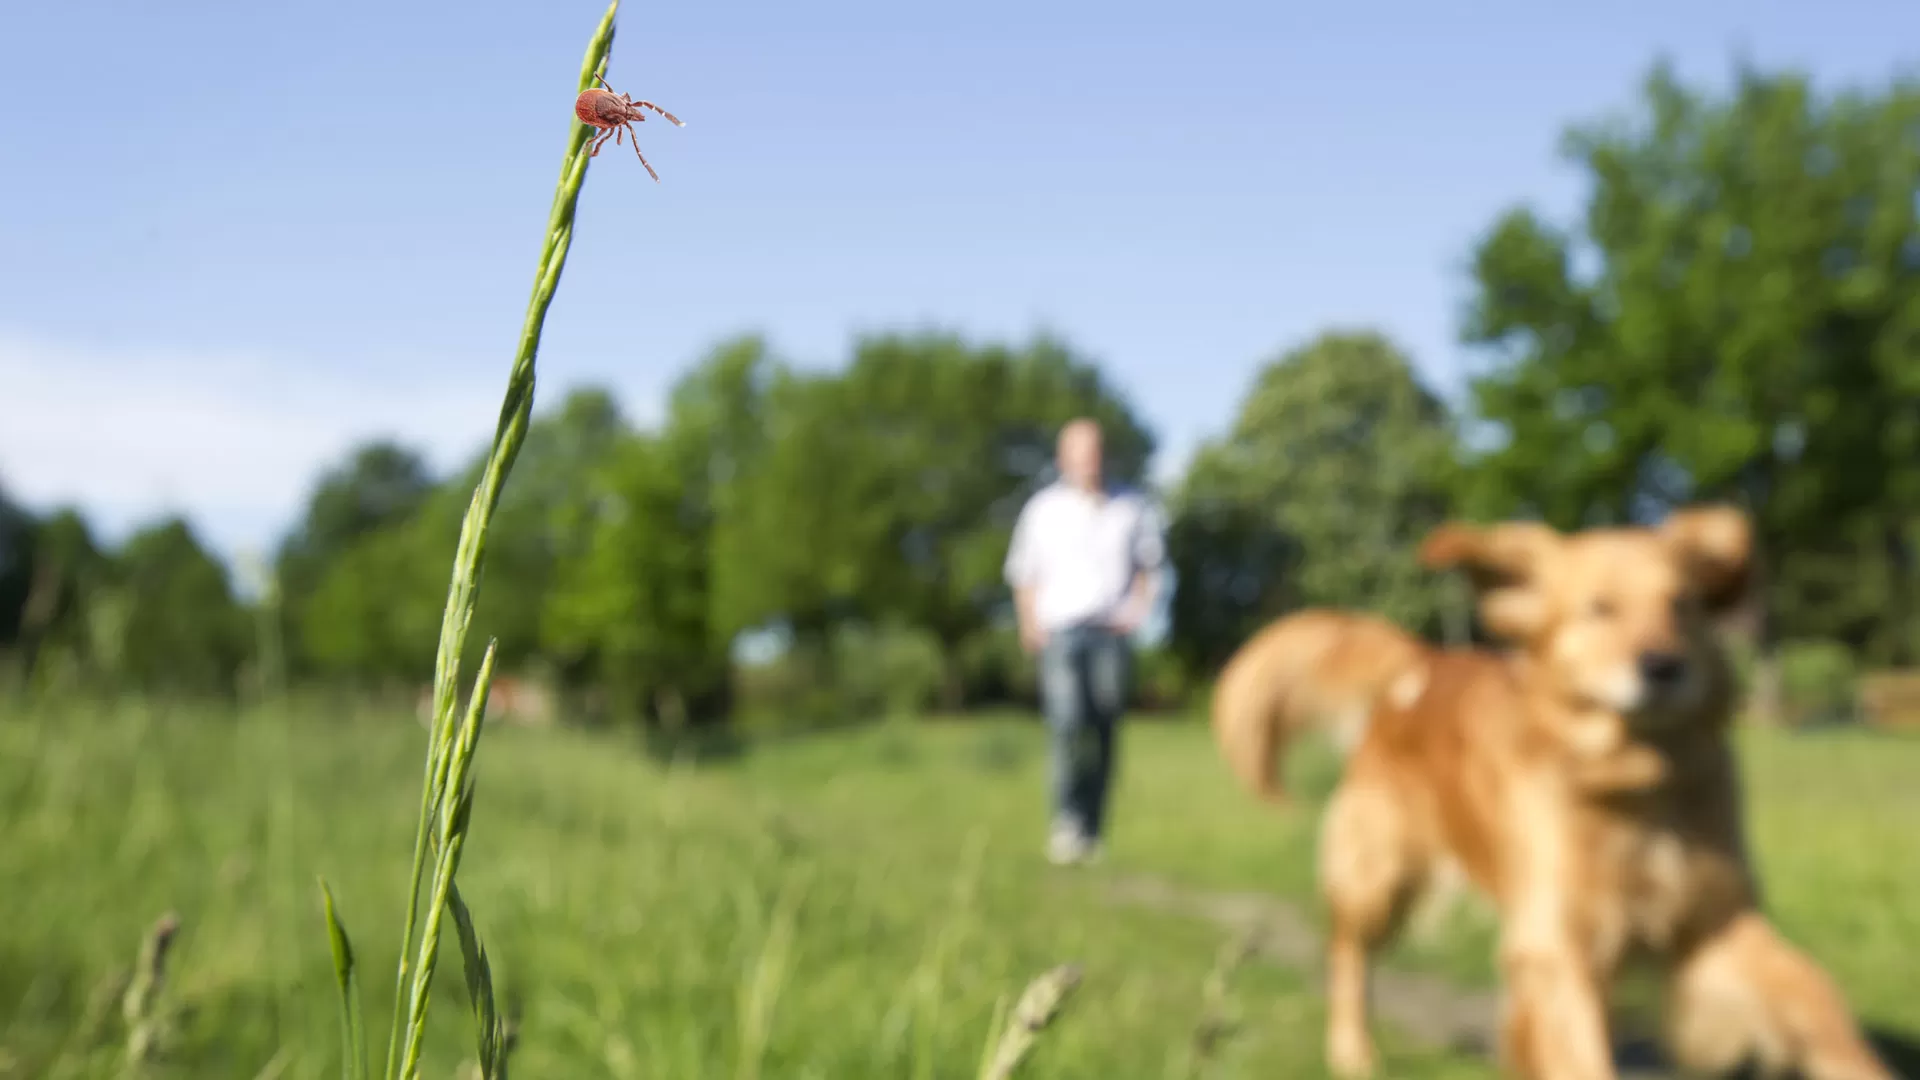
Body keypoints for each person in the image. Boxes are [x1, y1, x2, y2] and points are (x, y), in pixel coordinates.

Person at [1003, 418, 1167, 865]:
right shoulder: (1043, 509)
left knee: (1105, 731)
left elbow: (1150, 566)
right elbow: (1023, 572)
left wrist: (1138, 611)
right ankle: (1066, 823)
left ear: (1103, 455)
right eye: (1078, 452)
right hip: (1060, 632)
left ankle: (1093, 831)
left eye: (1093, 451)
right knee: (1067, 724)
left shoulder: (1131, 506)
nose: (1087, 460)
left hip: (1111, 634)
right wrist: (1028, 622)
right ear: (1063, 458)